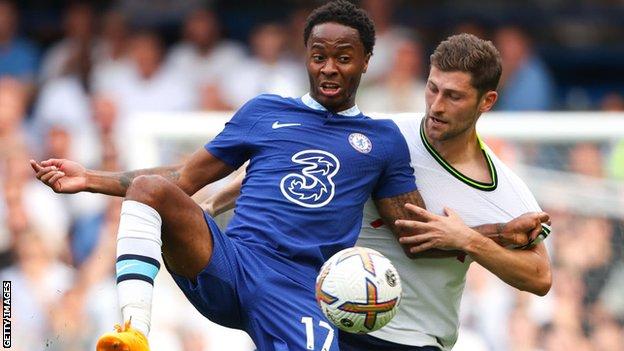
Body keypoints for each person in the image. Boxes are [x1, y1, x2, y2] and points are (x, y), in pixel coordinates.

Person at [30, 2, 426, 350]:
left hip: (301, 291)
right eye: (318, 55)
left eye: (344, 58)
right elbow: (185, 177)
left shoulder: (383, 141)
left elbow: (413, 229)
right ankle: (132, 333)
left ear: (367, 59)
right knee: (149, 189)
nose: (329, 68)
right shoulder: (265, 112)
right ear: (305, 55)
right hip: (232, 263)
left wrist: (479, 235)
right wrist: (89, 178)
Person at [205, 34, 552, 351]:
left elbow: (539, 277)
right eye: (432, 88)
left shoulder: (504, 189)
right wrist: (213, 203)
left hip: (412, 340)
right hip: (323, 320)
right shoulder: (383, 135)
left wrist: (469, 241)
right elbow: (289, 164)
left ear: (486, 101)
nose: (437, 106)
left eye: (454, 96)